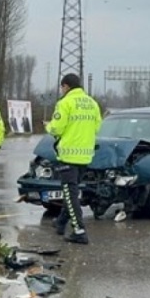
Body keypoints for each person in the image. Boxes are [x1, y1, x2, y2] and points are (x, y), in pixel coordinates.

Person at [46, 73, 102, 244]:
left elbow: (56, 128)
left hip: (69, 155)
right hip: (85, 155)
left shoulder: (65, 103)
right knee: (72, 192)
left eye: (62, 87)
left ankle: (79, 231)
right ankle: (61, 222)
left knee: (70, 194)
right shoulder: (92, 103)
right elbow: (97, 126)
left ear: (66, 86)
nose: (61, 90)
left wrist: (48, 126)